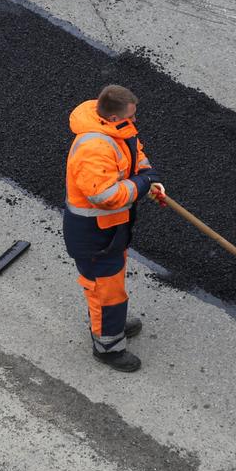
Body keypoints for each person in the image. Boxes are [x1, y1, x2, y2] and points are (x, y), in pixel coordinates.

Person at [63, 85, 164, 372]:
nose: (135, 121)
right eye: (131, 115)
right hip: (94, 235)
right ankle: (107, 346)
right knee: (104, 292)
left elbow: (135, 154)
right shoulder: (93, 148)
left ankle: (113, 325)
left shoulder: (118, 129)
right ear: (113, 115)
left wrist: (148, 175)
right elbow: (105, 196)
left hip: (112, 231)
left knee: (112, 289)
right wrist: (142, 185)